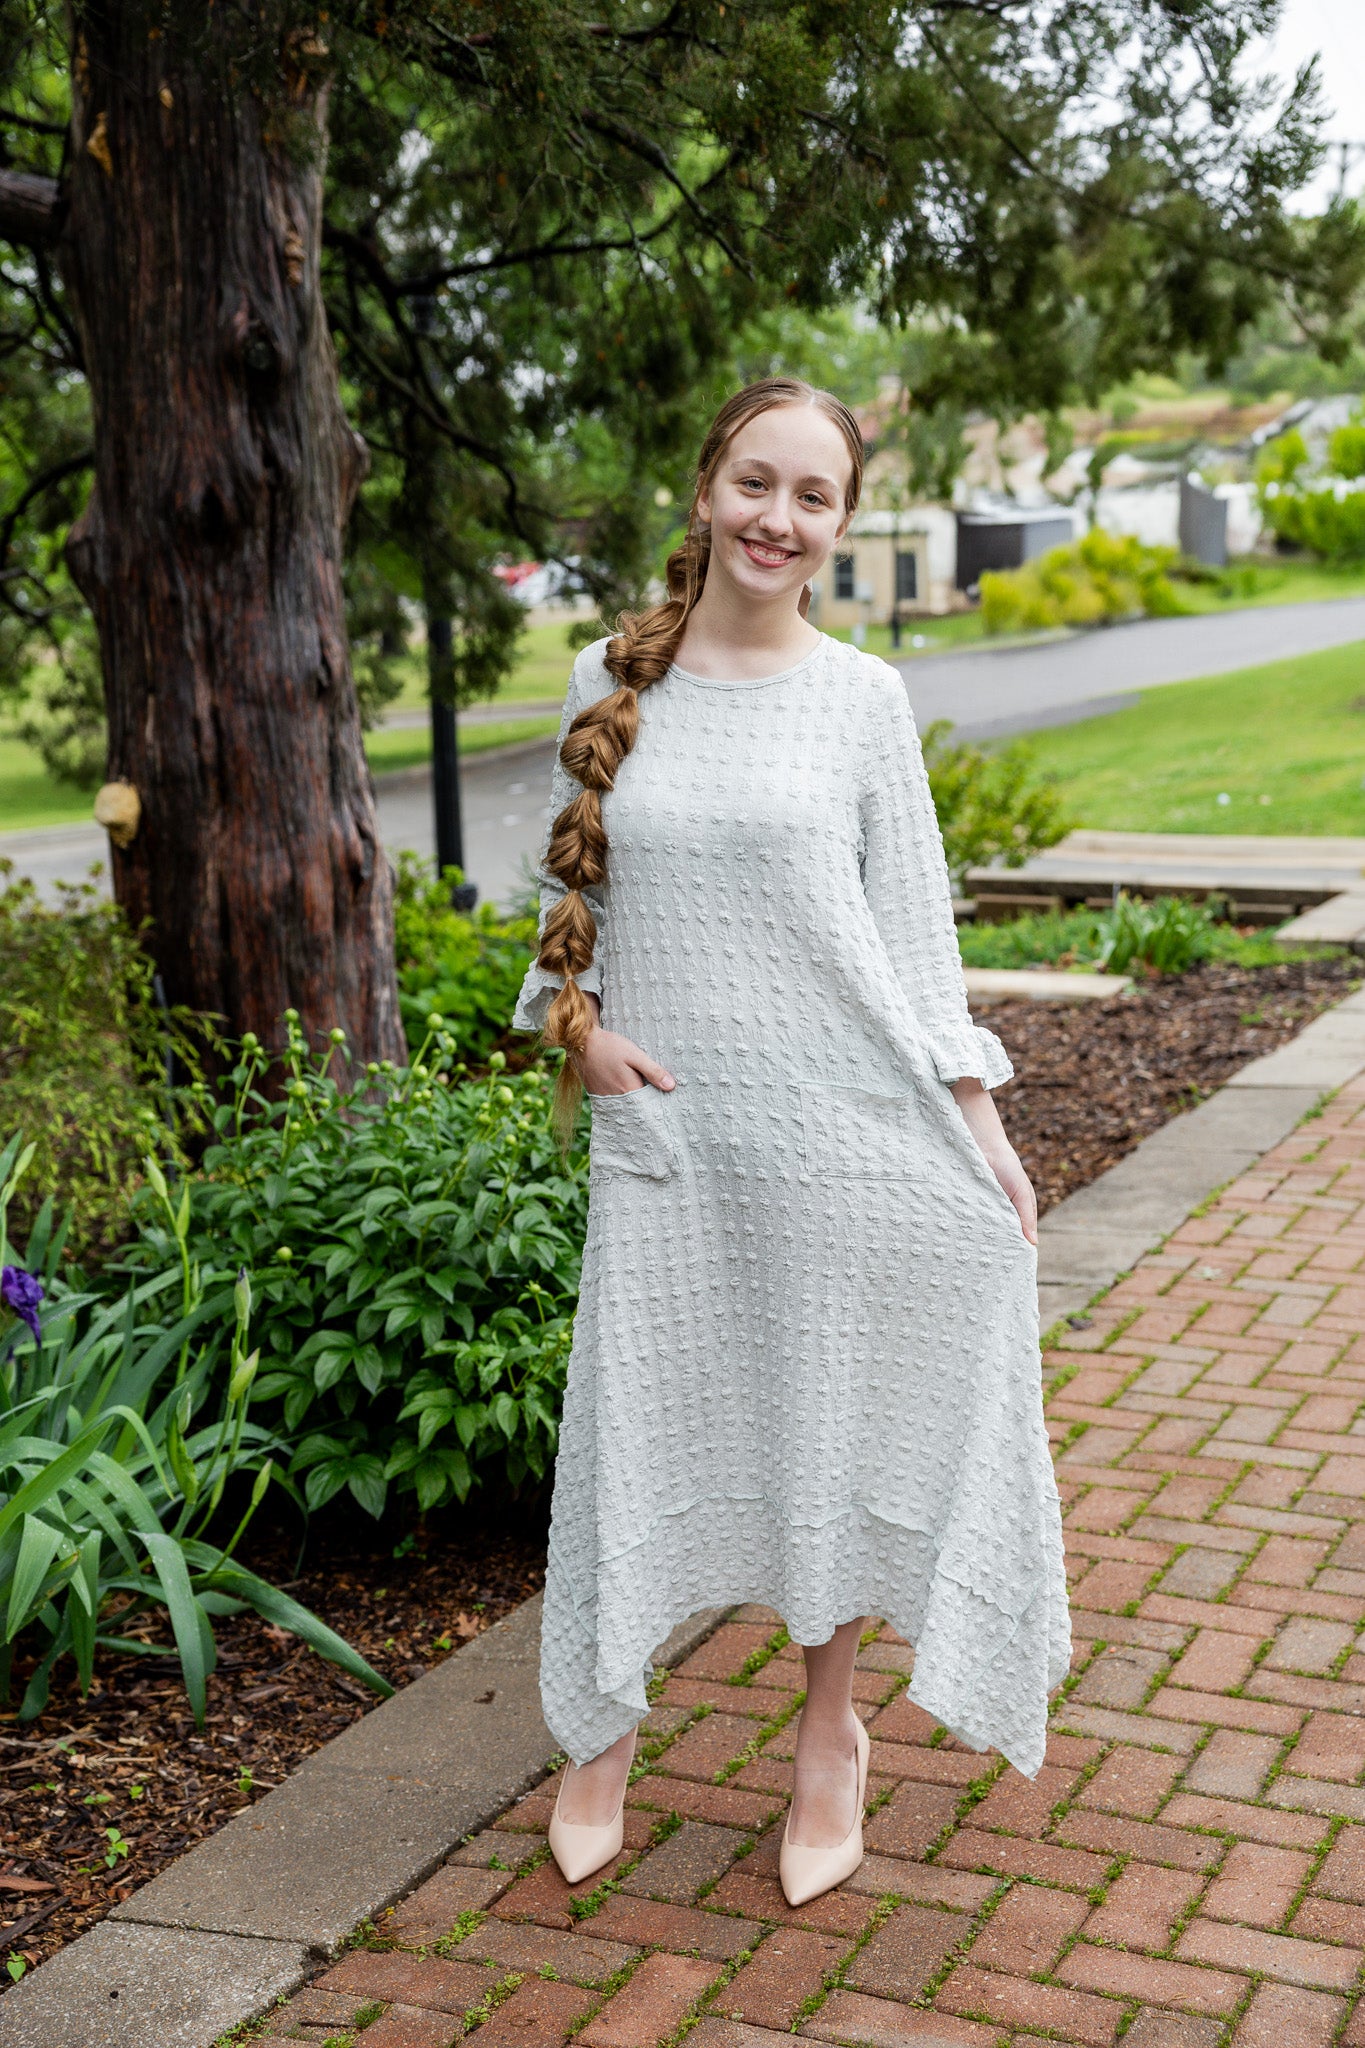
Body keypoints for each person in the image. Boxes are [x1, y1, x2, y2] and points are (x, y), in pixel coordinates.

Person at [513, 376, 1069, 1907]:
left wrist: (979, 1125)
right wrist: (584, 1036)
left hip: (842, 1138)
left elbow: (913, 945)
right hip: (676, 1150)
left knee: (833, 1422)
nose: (778, 518)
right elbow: (556, 936)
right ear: (705, 490)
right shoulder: (603, 679)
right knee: (643, 1423)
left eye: (811, 496)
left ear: (838, 521)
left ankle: (828, 1737)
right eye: (755, 483)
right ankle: (607, 1728)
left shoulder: (863, 701)